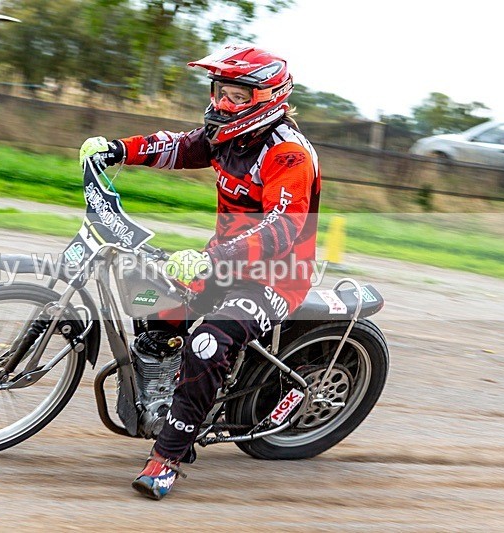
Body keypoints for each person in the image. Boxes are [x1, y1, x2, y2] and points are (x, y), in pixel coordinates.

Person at [79, 44, 321, 500]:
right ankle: (164, 394)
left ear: (267, 98)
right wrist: (117, 150)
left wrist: (213, 259)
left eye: (236, 96)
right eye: (218, 91)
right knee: (150, 301)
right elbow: (181, 146)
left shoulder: (288, 155)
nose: (221, 104)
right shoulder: (228, 134)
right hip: (223, 259)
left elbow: (284, 227)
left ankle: (169, 455)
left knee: (208, 343)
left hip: (276, 276)